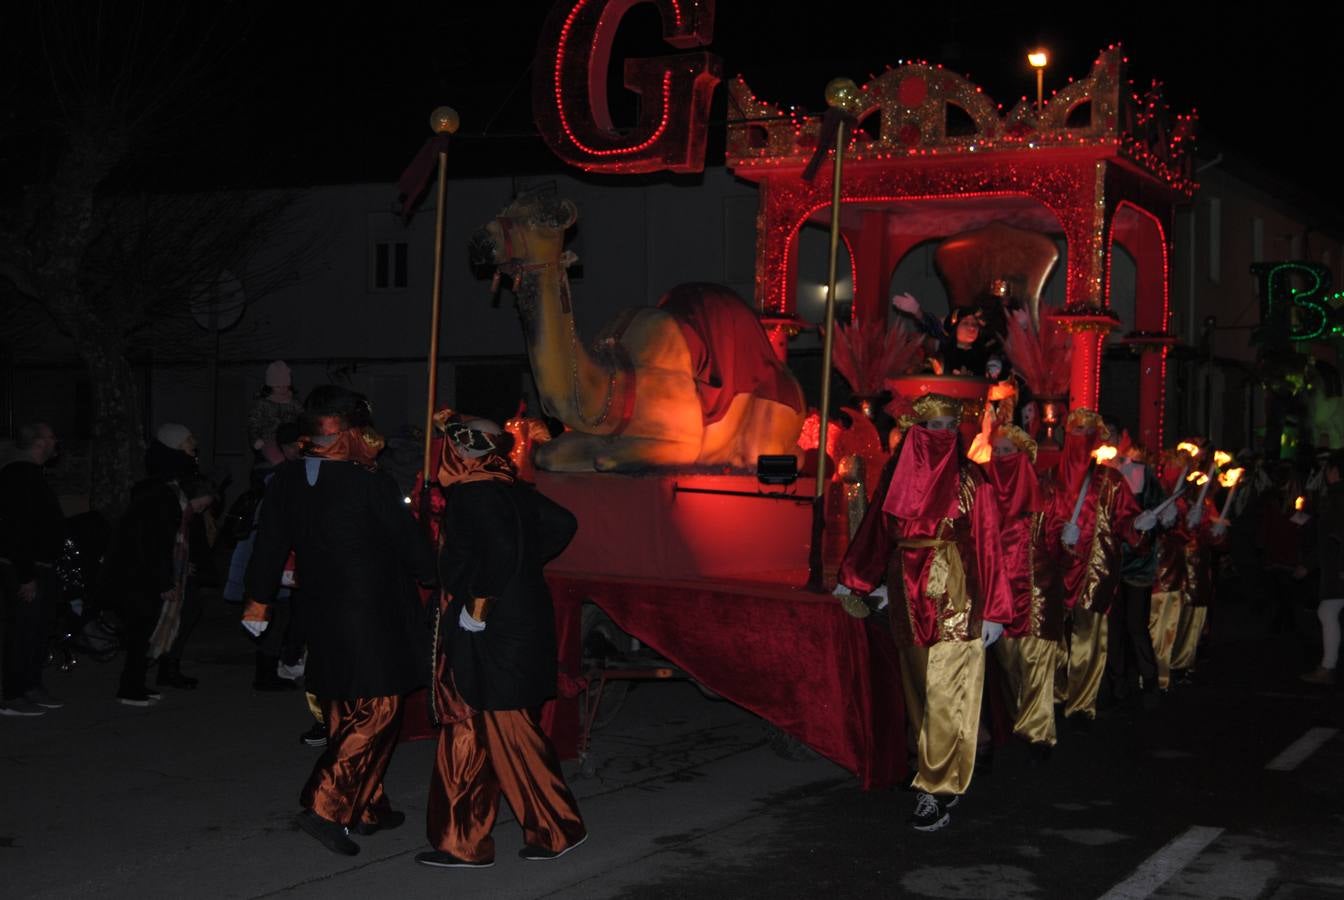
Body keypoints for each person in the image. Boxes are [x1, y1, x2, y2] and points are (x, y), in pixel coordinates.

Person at [246, 385, 436, 856]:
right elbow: (408, 545)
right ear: (350, 432)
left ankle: (368, 805)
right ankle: (325, 807)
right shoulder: (369, 482)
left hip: (319, 609)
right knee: (380, 707)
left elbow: (268, 542)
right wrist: (439, 572)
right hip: (370, 612)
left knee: (342, 707)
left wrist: (258, 599)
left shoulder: (287, 479)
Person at [837, 393, 1012, 832]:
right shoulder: (899, 477)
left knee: (949, 691)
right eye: (935, 427)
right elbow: (878, 528)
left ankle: (938, 789)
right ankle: (927, 769)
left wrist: (994, 609)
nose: (944, 435)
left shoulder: (972, 479)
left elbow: (990, 542)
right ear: (918, 432)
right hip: (907, 591)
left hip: (956, 590)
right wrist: (859, 578)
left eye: (951, 427)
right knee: (917, 689)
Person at [418, 416, 587, 868]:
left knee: (511, 732)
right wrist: (525, 564)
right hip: (509, 625)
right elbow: (561, 524)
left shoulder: (474, 495)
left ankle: (557, 828)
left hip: (494, 629)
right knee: (471, 726)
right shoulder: (513, 490)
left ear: (461, 453)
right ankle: (462, 840)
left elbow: (497, 550)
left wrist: (480, 604)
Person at [1052, 409, 1149, 729]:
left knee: (1089, 634)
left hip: (1096, 566)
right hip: (1056, 566)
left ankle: (1081, 702)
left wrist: (1140, 524)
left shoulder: (1110, 480)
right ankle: (1057, 692)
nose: (1079, 438)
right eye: (1074, 431)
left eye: (1086, 432)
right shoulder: (1051, 478)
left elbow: (1126, 520)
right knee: (1055, 635)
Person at [983, 424, 1064, 758]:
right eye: (997, 451)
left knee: (1036, 660)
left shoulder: (1044, 494)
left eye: (1008, 452)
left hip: (1038, 592)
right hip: (1000, 596)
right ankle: (1019, 722)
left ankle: (1038, 732)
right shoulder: (984, 492)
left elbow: (1060, 542)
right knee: (1009, 664)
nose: (1001, 458)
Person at [103, 473, 217, 706]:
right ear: (195, 495)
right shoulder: (166, 506)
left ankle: (136, 684)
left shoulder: (171, 503)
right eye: (203, 503)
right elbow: (154, 546)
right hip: (136, 578)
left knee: (146, 633)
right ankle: (129, 689)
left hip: (140, 576)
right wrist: (165, 583)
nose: (203, 510)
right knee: (141, 633)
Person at [0, 422, 66, 716]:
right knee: (22, 631)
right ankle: (13, 693)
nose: (56, 443)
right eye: (52, 437)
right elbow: (16, 527)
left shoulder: (33, 474)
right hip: (24, 567)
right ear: (38, 442)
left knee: (38, 630)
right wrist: (26, 574)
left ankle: (30, 684)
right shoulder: (18, 475)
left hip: (41, 565)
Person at [143, 423, 214, 689]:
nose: (193, 447)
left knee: (187, 611)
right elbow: (162, 533)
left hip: (183, 559)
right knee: (167, 615)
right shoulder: (161, 486)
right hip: (171, 561)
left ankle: (168, 665)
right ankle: (156, 668)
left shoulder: (182, 475)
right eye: (187, 442)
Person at [1104, 445, 1167, 708]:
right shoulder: (1099, 476)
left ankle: (1149, 681)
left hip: (1137, 565)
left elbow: (1158, 515)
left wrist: (1146, 527)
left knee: (1136, 625)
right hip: (1109, 564)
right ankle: (1118, 684)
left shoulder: (1141, 475)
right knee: (1113, 627)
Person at [1302, 452, 1344, 684]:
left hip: (1337, 568)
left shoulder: (1337, 499)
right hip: (1334, 566)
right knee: (1328, 612)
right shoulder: (1334, 497)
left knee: (1327, 612)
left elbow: (1336, 536)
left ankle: (1328, 667)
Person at [248, 360, 303, 467]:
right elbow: (253, 423)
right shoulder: (262, 404)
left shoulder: (294, 403)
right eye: (278, 386)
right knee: (277, 460)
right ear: (270, 386)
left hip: (289, 441)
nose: (282, 389)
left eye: (285, 386)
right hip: (269, 439)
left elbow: (303, 418)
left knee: (297, 461)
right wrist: (255, 439)